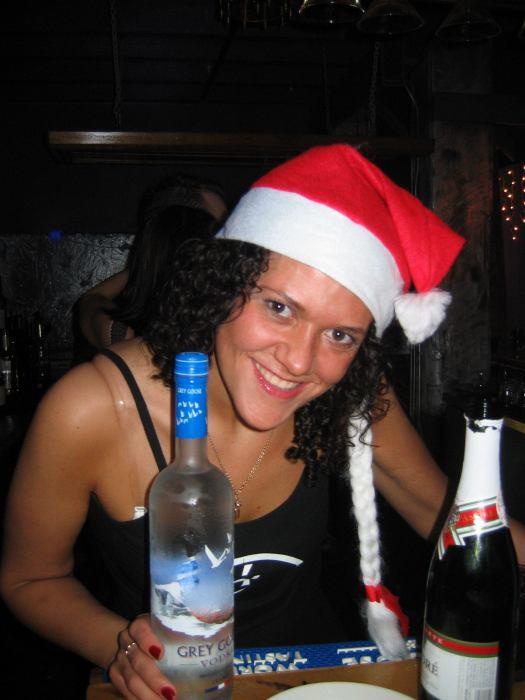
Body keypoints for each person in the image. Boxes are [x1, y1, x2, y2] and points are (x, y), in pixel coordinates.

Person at [1, 144, 523, 700]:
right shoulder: (90, 409)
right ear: (221, 286)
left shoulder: (350, 397)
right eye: (279, 307)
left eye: (339, 335)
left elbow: (455, 519)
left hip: (317, 681)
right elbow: (30, 578)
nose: (298, 361)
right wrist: (122, 647)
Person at [75, 174, 228, 352]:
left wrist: (149, 265)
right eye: (221, 230)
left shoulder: (112, 320)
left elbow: (91, 299)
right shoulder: (220, 320)